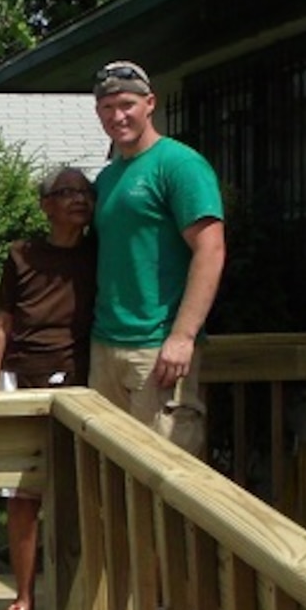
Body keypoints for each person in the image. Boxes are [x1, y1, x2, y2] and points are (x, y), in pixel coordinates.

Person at [87, 60, 226, 454]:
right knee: (110, 472)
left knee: (164, 474)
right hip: (106, 344)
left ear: (150, 103)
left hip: (156, 348)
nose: (118, 116)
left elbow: (211, 248)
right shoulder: (110, 178)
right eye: (107, 108)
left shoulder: (179, 165)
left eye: (127, 104)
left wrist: (182, 337)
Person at [0, 166, 96, 610]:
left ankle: (80, 597)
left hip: (80, 381)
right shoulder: (21, 255)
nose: (78, 200)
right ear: (45, 205)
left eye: (85, 193)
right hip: (20, 377)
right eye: (66, 193)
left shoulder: (99, 254)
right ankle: (24, 598)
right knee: (24, 496)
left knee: (80, 493)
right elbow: (2, 321)